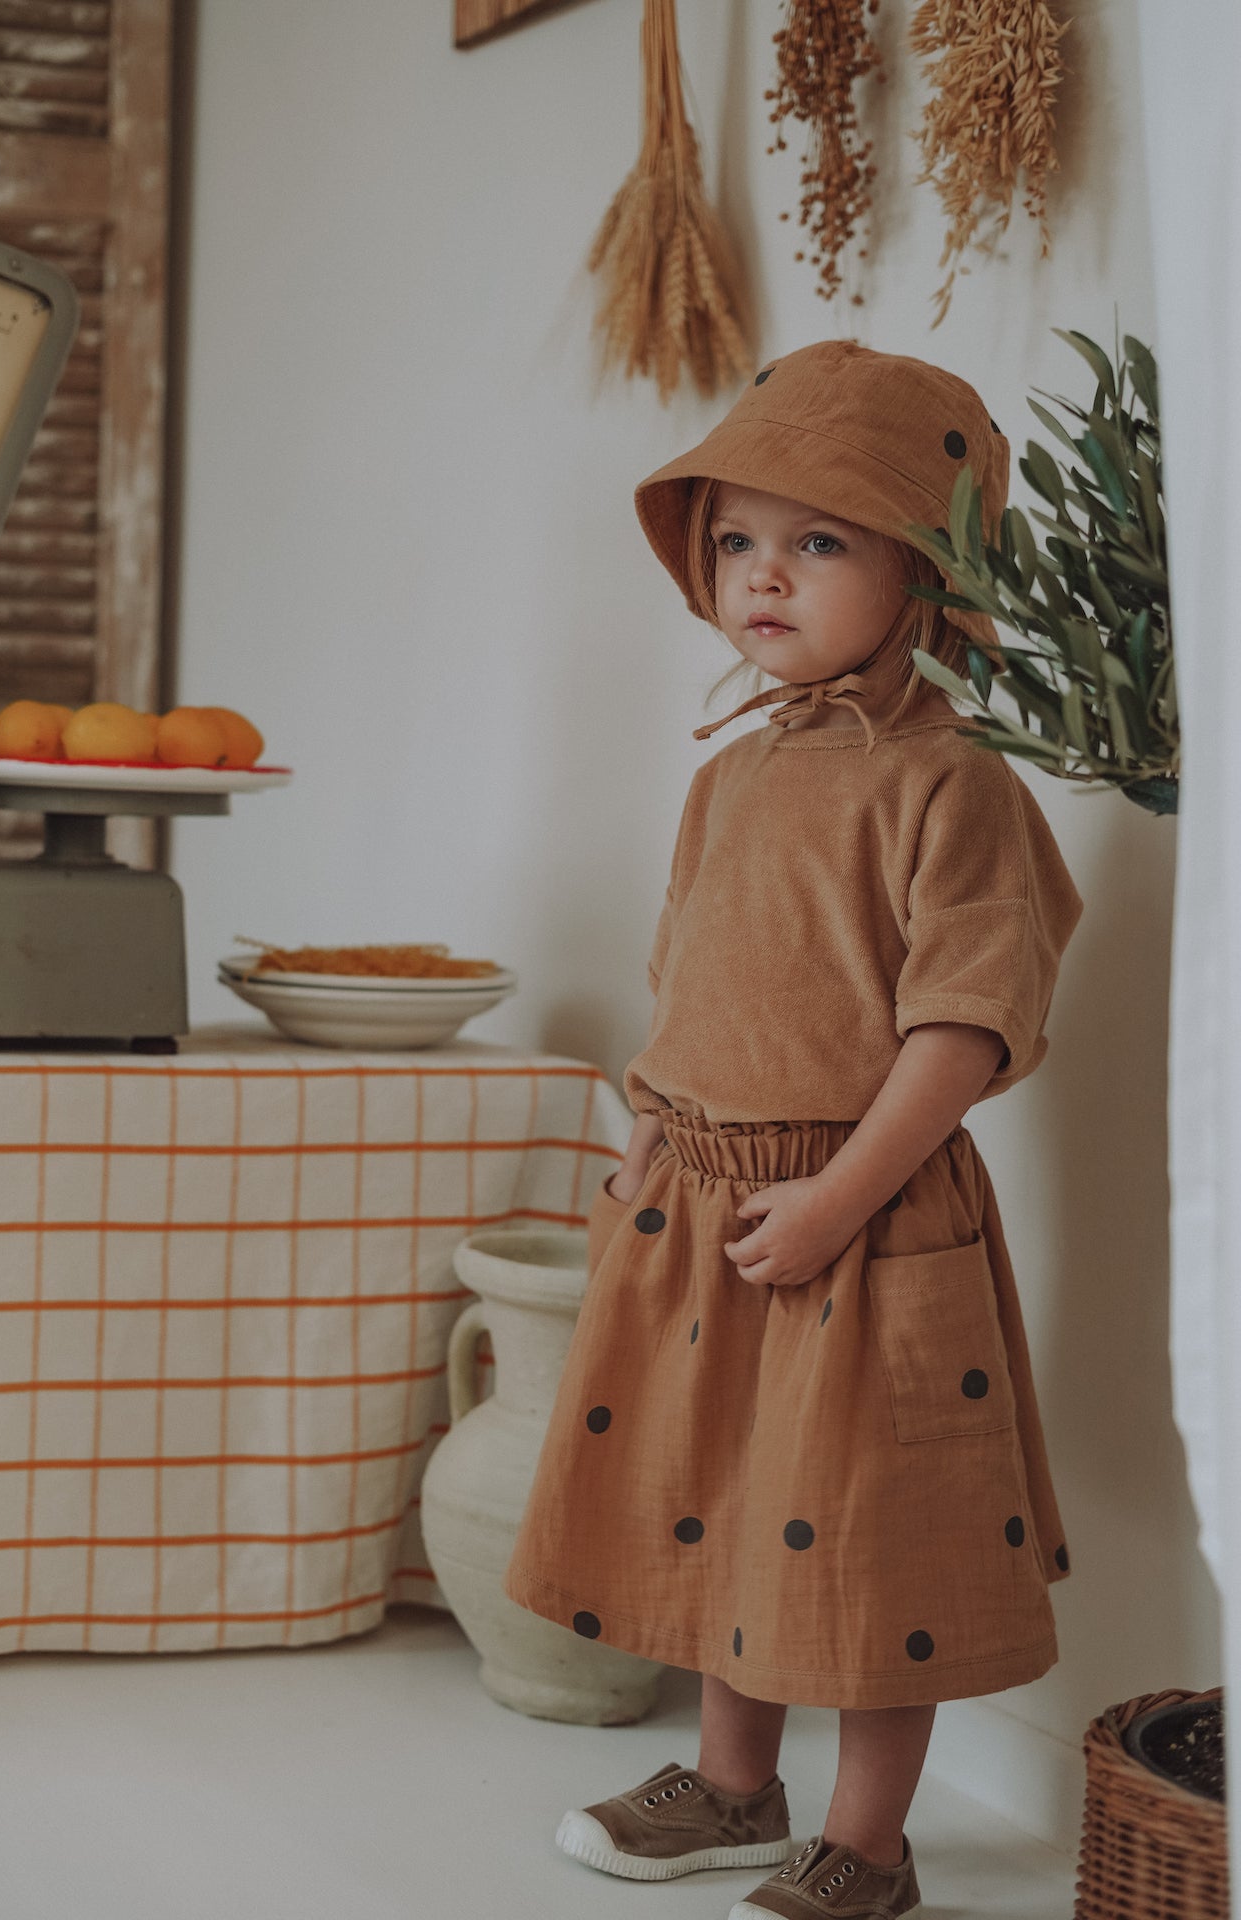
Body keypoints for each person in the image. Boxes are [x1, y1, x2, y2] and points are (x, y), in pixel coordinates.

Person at [502, 339, 1084, 1920]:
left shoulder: (954, 784)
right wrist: (649, 1135)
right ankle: (737, 1791)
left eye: (820, 542)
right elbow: (690, 972)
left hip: (868, 1214)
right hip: (702, 1201)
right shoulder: (734, 775)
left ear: (928, 576)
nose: (765, 577)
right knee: (727, 1501)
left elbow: (961, 1029)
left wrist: (835, 1199)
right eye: (741, 542)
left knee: (881, 1544)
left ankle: (871, 1848)